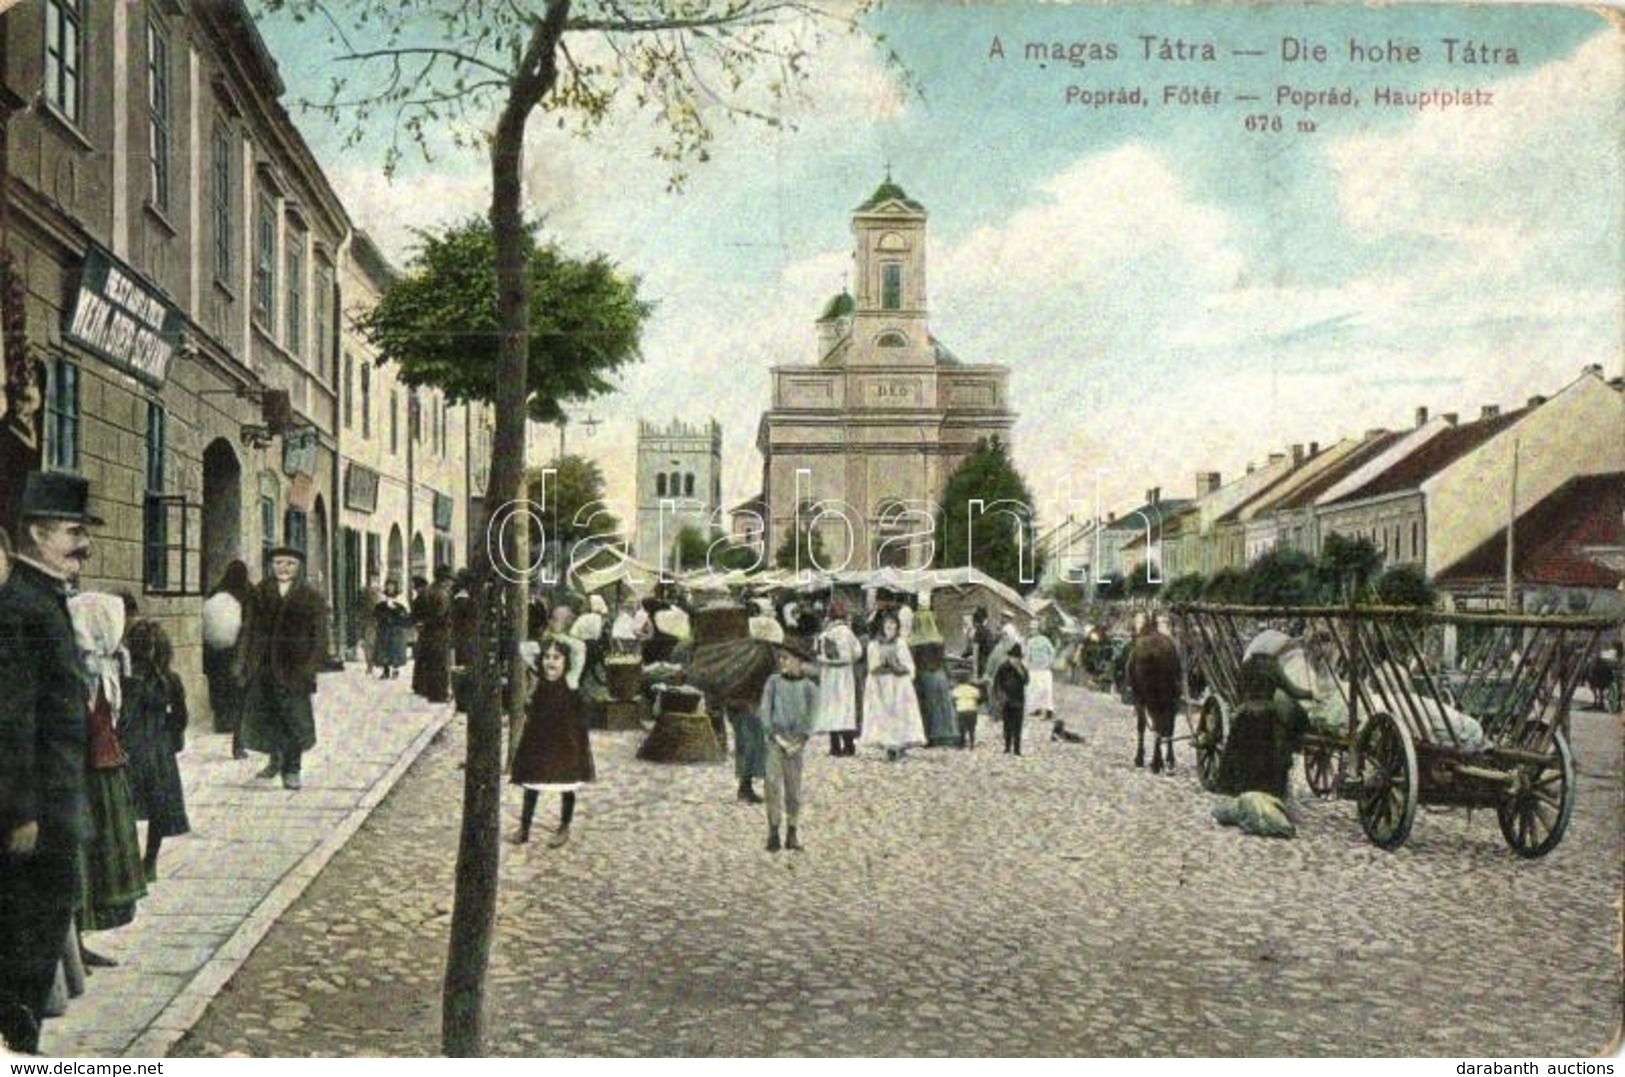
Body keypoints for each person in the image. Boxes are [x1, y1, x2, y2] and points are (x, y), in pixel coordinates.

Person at [0, 473, 100, 1053]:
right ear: (37, 534)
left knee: (39, 930)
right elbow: (11, 723)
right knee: (27, 932)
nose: (82, 545)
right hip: (35, 814)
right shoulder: (20, 609)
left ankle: (20, 1039)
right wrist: (21, 813)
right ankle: (18, 1047)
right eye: (73, 532)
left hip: (55, 802)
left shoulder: (43, 599)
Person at [238, 546, 329, 791]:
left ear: (298, 567)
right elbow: (249, 628)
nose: (283, 568)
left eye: (290, 563)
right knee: (270, 717)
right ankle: (275, 760)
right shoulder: (260, 591)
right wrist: (244, 663)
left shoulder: (309, 595)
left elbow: (320, 635)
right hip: (265, 666)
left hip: (295, 667)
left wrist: (311, 666)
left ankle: (292, 769)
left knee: (294, 719)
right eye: (278, 563)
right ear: (271, 565)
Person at [120, 620, 189, 883]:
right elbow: (181, 718)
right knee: (159, 809)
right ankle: (150, 861)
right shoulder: (171, 680)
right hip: (159, 751)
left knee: (127, 807)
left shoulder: (126, 679)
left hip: (130, 750)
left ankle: (131, 861)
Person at [508, 637, 593, 848]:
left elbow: (580, 648)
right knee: (533, 781)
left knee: (567, 783)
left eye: (556, 657)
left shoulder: (571, 678)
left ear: (566, 661)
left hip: (566, 739)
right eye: (546, 657)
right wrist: (547, 642)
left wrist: (559, 637)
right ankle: (524, 828)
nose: (551, 662)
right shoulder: (540, 675)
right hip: (540, 737)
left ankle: (564, 826)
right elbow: (524, 648)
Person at [759, 638, 818, 853]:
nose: (782, 663)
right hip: (775, 741)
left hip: (796, 744)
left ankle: (792, 831)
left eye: (786, 658)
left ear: (798, 661)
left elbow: (812, 718)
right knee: (772, 785)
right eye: (780, 658)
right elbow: (765, 711)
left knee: (793, 790)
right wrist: (774, 735)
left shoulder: (809, 688)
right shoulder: (773, 683)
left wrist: (801, 740)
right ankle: (773, 830)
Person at [202, 561, 251, 757]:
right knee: (239, 696)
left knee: (219, 687)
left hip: (214, 653)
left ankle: (221, 721)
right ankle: (238, 743)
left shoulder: (216, 591)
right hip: (237, 652)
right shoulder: (247, 593)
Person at [863, 609, 925, 762]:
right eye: (888, 627)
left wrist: (899, 668)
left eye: (894, 627)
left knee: (899, 713)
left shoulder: (900, 644)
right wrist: (882, 667)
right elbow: (872, 666)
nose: (891, 630)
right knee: (883, 714)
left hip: (897, 684)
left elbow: (909, 665)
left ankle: (900, 745)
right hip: (881, 684)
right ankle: (887, 746)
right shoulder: (874, 645)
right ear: (882, 627)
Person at [811, 601, 860, 757]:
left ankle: (834, 746)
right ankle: (849, 745)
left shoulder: (824, 634)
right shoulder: (848, 632)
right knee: (845, 708)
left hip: (829, 674)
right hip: (844, 674)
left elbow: (816, 653)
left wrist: (825, 660)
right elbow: (858, 652)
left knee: (831, 708)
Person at [411, 567, 452, 703]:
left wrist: (420, 623)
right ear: (445, 580)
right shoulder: (442, 593)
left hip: (426, 633)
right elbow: (441, 615)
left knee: (428, 662)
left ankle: (426, 690)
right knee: (440, 664)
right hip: (439, 632)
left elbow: (416, 610)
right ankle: (439, 695)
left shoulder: (426, 591)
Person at [1024, 626, 1063, 740]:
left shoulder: (1041, 640)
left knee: (1041, 691)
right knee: (1038, 691)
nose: (1032, 631)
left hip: (1040, 670)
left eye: (1034, 629)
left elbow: (1051, 652)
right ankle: (1038, 710)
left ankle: (1043, 711)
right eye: (1031, 629)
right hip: (1038, 669)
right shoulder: (1033, 641)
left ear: (1038, 630)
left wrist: (1048, 663)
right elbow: (1028, 656)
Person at [995, 643, 1030, 755]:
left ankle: (1017, 749)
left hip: (1019, 700)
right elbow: (997, 684)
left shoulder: (1022, 668)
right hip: (1007, 700)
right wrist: (1001, 697)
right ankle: (1007, 747)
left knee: (1018, 726)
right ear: (1010, 657)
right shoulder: (1003, 667)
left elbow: (1026, 681)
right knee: (1007, 725)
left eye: (1018, 658)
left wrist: (1020, 671)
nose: (1016, 660)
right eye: (1014, 658)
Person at [372, 580, 411, 680]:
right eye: (388, 586)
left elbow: (405, 614)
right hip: (384, 628)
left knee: (395, 649)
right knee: (384, 649)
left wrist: (395, 609)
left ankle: (395, 670)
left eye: (392, 586)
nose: (390, 588)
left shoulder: (400, 598)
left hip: (396, 628)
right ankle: (385, 670)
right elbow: (376, 612)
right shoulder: (382, 598)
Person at [951, 673, 981, 749]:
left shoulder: (956, 690)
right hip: (972, 709)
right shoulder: (973, 689)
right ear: (968, 681)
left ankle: (962, 744)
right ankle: (972, 744)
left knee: (962, 729)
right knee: (972, 728)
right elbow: (978, 697)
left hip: (961, 710)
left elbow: (953, 698)